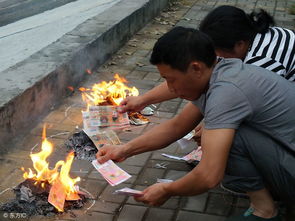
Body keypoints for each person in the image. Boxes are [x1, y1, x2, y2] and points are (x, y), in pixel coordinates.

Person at [96, 27, 295, 220]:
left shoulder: (226, 92)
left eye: (170, 80)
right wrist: (124, 150)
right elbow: (176, 127)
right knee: (220, 133)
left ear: (196, 68)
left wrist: (168, 189)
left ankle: (265, 211)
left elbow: (209, 175)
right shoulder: (219, 72)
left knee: (219, 137)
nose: (171, 89)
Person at [118, 5, 295, 114]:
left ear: (239, 45)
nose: (213, 60)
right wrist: (143, 100)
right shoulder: (258, 34)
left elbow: (243, 105)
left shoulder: (262, 63)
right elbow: (183, 80)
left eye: (216, 54)